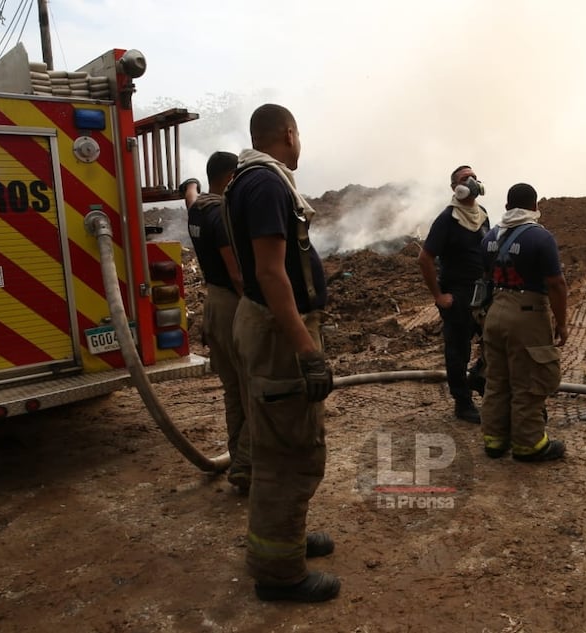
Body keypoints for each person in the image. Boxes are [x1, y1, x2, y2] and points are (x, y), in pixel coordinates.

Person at [224, 103, 339, 603]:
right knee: (290, 450)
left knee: (277, 438)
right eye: (299, 135)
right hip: (277, 334)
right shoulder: (269, 185)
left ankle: (285, 539)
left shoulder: (244, 180)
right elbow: (272, 273)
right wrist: (306, 349)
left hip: (260, 325)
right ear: (288, 133)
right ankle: (280, 573)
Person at [479, 183, 568, 462]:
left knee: (496, 380)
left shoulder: (490, 237)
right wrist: (562, 323)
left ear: (506, 207)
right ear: (535, 206)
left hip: (494, 312)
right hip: (527, 315)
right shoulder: (541, 238)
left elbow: (485, 276)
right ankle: (529, 445)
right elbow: (556, 284)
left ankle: (494, 440)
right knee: (528, 381)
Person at [180, 152, 251, 493]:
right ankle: (247, 467)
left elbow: (191, 193)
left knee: (233, 391)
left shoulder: (198, 207)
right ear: (229, 179)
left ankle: (239, 460)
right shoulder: (221, 214)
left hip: (213, 304)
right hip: (232, 304)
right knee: (253, 389)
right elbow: (237, 273)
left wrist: (189, 183)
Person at [417, 165, 490, 423]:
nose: (470, 181)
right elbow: (425, 258)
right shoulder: (447, 219)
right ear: (454, 188)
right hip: (457, 294)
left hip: (481, 292)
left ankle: (478, 380)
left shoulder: (482, 215)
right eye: (463, 179)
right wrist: (439, 295)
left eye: (473, 177)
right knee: (458, 351)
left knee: (493, 343)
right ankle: (462, 403)